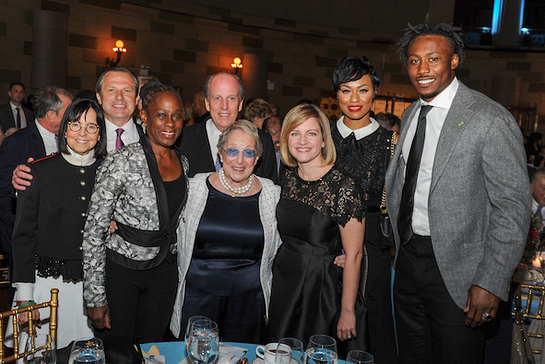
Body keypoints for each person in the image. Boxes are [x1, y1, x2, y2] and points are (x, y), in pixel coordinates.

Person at [385, 20, 531, 363]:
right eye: (414, 60)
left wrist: (491, 281)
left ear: (454, 61)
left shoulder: (489, 118)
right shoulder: (409, 114)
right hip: (407, 263)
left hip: (460, 275)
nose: (422, 69)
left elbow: (512, 207)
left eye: (433, 59)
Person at [82, 82, 189, 343]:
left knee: (152, 350)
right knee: (118, 353)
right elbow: (94, 231)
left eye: (177, 115)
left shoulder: (183, 163)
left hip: (164, 275)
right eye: (162, 115)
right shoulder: (120, 160)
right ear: (144, 116)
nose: (170, 123)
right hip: (122, 273)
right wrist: (94, 297)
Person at [170, 120, 281, 343]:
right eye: (232, 151)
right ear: (220, 154)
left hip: (250, 304)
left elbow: (295, 234)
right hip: (197, 300)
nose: (239, 160)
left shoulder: (272, 193)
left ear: (257, 157)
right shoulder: (194, 187)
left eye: (248, 152)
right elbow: (162, 219)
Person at [9, 98, 106, 350]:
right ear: (64, 130)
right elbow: (23, 237)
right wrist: (25, 298)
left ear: (100, 134)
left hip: (96, 289)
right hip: (46, 287)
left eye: (91, 127)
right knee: (43, 353)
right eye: (75, 125)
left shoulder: (110, 172)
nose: (82, 133)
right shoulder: (38, 171)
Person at [269, 103, 365, 355]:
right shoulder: (288, 176)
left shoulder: (344, 186)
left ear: (323, 139)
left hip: (321, 291)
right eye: (295, 133)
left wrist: (347, 311)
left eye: (311, 133)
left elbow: (354, 255)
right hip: (284, 284)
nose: (302, 141)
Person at [330, 56, 397, 362]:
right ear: (337, 95)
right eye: (346, 90)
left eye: (363, 90)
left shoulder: (391, 143)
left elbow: (398, 209)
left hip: (372, 252)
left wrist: (359, 253)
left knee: (369, 338)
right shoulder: (321, 136)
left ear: (374, 93)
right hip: (326, 250)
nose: (354, 99)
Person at [11, 67, 141, 192]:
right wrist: (26, 178)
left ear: (136, 98)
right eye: (111, 90)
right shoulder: (77, 139)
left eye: (127, 90)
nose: (119, 97)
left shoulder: (153, 142)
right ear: (99, 97)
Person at [0, 87, 73, 255]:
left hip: (61, 237)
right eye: (68, 112)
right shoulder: (17, 143)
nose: (73, 117)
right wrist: (26, 228)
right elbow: (3, 195)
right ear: (50, 115)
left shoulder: (72, 140)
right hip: (26, 241)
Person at [176, 71, 277, 182]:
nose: (224, 106)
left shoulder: (263, 141)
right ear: (207, 103)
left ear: (240, 104)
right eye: (217, 98)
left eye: (231, 98)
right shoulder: (182, 140)